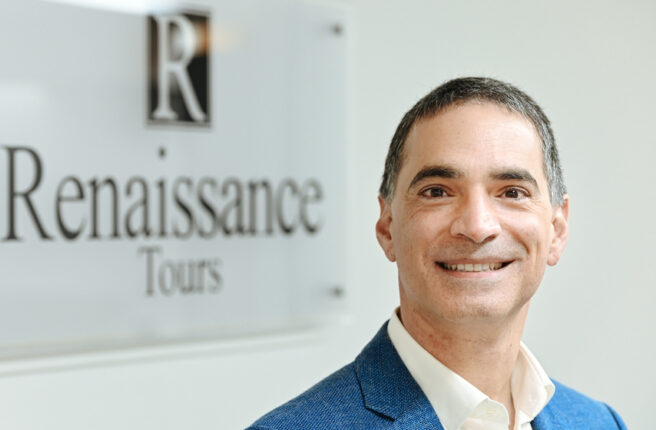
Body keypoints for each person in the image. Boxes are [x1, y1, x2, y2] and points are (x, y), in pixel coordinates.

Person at [248, 77, 627, 430]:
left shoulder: (600, 423)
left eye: (512, 192)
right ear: (387, 227)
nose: (477, 226)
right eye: (437, 192)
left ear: (557, 229)